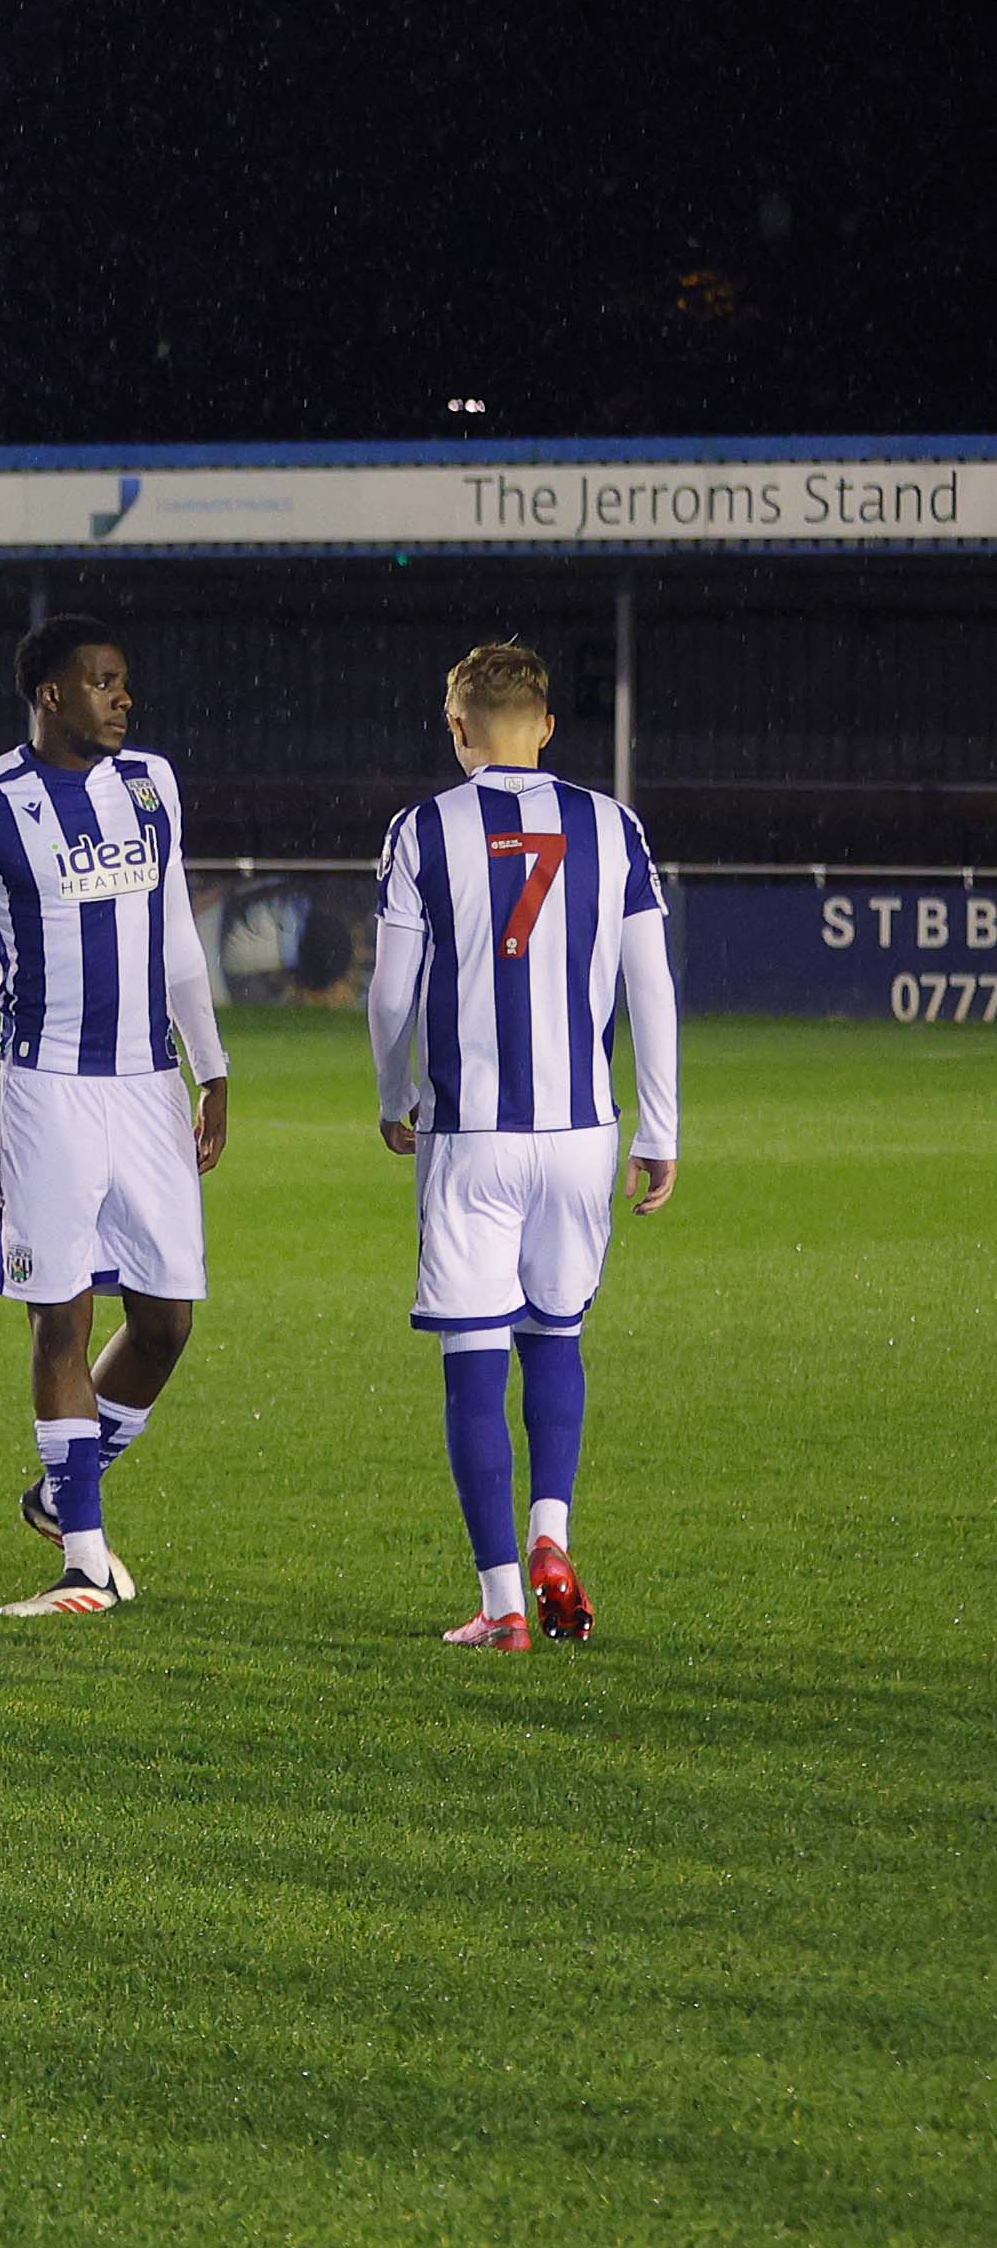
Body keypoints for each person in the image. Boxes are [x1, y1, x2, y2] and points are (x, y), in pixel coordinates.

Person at [366, 640, 681, 1649]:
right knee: (557, 1334)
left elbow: (387, 992)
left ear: (458, 728)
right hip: (583, 1132)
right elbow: (653, 987)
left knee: (472, 1358)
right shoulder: (611, 824)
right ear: (545, 725)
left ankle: (504, 1601)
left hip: (473, 1135)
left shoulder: (424, 830)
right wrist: (661, 1126)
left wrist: (395, 1092)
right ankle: (553, 1532)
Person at [0, 616, 228, 1617]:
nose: (122, 698)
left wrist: (211, 1067)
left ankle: (62, 1493)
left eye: (124, 682)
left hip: (148, 1085)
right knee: (62, 1317)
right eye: (103, 682)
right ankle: (83, 1560)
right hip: (45, 1089)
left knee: (169, 1319)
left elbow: (177, 933)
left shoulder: (153, 785)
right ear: (52, 693)